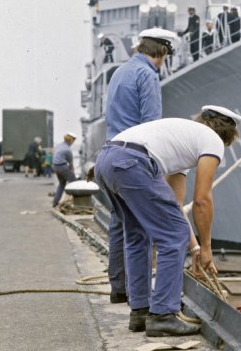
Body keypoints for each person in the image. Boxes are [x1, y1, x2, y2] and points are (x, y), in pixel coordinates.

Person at [94, 105, 241, 337]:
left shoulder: (186, 141)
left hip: (106, 160)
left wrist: (194, 248)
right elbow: (202, 200)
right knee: (172, 237)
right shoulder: (212, 140)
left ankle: (141, 311)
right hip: (132, 163)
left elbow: (176, 205)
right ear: (227, 134)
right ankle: (163, 314)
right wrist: (206, 248)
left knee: (137, 235)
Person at [104, 27, 180, 305]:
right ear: (162, 52)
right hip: (133, 160)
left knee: (119, 224)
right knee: (150, 231)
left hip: (110, 155)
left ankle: (119, 288)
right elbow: (151, 125)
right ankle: (147, 302)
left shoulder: (119, 72)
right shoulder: (147, 74)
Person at [52, 133, 77, 207]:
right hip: (62, 166)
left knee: (62, 184)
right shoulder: (67, 150)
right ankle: (76, 202)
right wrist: (72, 172)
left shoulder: (59, 146)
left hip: (55, 166)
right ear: (71, 140)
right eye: (73, 140)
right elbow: (71, 164)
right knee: (74, 183)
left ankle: (55, 202)